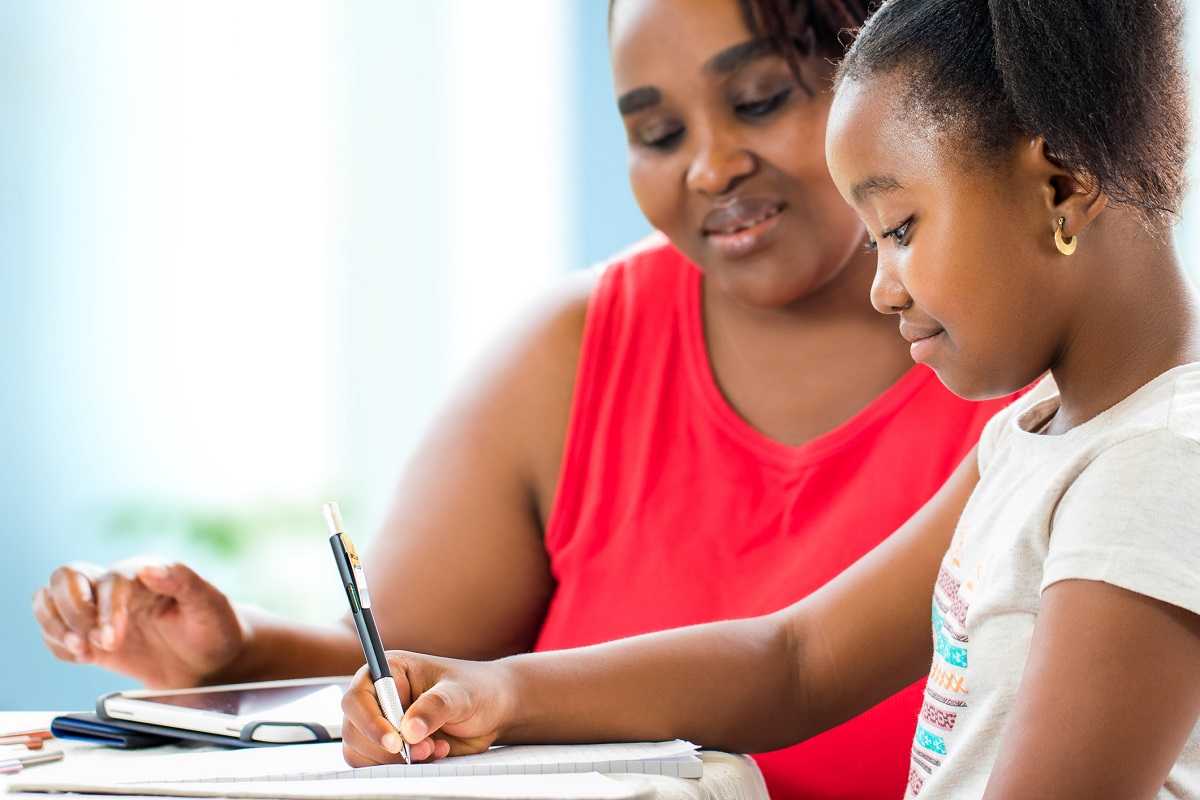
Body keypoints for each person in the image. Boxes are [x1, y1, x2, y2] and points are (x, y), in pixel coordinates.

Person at [31, 1, 1016, 797]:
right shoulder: (573, 351)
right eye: (656, 132)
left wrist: (501, 693)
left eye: (759, 100)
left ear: (882, 75)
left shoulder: (1021, 371)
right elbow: (411, 676)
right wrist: (231, 653)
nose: (710, 166)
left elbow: (794, 664)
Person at [337, 0, 1200, 797]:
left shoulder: (1153, 470)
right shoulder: (1033, 438)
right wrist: (500, 692)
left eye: (901, 230)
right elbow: (799, 660)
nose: (884, 289)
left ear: (1062, 184)